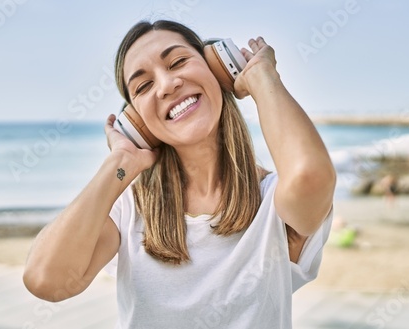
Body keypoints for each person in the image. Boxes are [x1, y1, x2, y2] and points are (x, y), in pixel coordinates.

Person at [23, 19, 336, 328]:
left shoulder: (273, 202)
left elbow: (309, 175)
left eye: (178, 62)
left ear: (218, 71)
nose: (167, 85)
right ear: (136, 123)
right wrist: (120, 161)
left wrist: (261, 76)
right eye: (143, 86)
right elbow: (45, 280)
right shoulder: (128, 210)